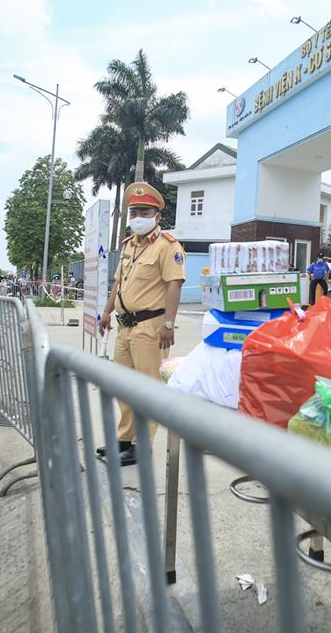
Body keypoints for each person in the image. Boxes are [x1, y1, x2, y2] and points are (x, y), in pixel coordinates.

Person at [98, 182, 186, 467]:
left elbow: (174, 285)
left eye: (144, 211)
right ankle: (123, 439)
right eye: (134, 212)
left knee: (148, 388)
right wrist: (107, 312)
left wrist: (169, 324)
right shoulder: (128, 246)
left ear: (157, 216)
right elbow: (118, 284)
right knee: (125, 386)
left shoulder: (168, 247)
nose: (137, 217)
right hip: (124, 327)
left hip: (151, 326)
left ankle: (141, 445)